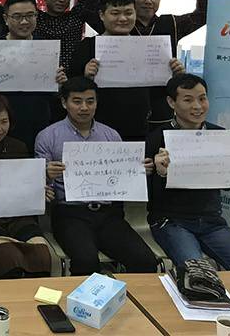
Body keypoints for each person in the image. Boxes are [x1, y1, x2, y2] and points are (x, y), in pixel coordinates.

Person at [35, 77, 158, 276]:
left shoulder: (111, 135)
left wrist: (140, 172)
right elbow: (39, 186)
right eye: (77, 101)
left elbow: (123, 178)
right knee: (86, 261)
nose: (84, 107)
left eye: (90, 101)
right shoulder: (48, 136)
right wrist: (46, 175)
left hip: (109, 214)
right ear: (64, 103)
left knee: (145, 260)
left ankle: (127, 296)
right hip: (70, 214)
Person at [90, 0, 210, 127]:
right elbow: (88, 11)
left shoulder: (172, 23)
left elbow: (206, 14)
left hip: (161, 107)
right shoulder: (118, 24)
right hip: (119, 106)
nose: (148, 1)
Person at [147, 74, 230, 270]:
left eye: (202, 98)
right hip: (171, 221)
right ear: (171, 102)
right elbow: (149, 195)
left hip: (212, 221)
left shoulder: (219, 136)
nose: (197, 106)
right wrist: (160, 173)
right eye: (188, 100)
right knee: (198, 271)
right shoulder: (157, 138)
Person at [70, 0, 185, 141]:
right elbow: (69, 88)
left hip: (139, 127)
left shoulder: (148, 47)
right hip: (96, 128)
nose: (123, 18)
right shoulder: (87, 46)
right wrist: (86, 77)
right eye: (115, 13)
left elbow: (161, 92)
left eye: (129, 13)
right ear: (102, 15)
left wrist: (176, 75)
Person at [0, 94, 53, 279]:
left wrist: (38, 191)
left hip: (18, 217)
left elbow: (26, 184)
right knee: (8, 257)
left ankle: (35, 296)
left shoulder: (18, 147)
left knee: (41, 255)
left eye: (4, 122)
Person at [0, 0, 66, 150]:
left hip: (38, 120)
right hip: (1, 125)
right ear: (5, 18)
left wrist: (61, 84)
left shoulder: (48, 49)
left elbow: (55, 95)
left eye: (30, 15)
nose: (24, 21)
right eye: (17, 16)